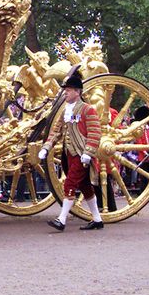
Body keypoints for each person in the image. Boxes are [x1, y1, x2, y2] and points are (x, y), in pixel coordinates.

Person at [39, 74, 103, 231]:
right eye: (65, 90)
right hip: (69, 155)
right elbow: (56, 132)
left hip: (82, 155)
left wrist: (88, 152)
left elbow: (95, 133)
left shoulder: (88, 110)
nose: (65, 93)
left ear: (77, 92)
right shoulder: (65, 111)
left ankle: (61, 220)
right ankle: (97, 219)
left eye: (68, 90)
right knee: (85, 186)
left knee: (69, 183)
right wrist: (46, 147)